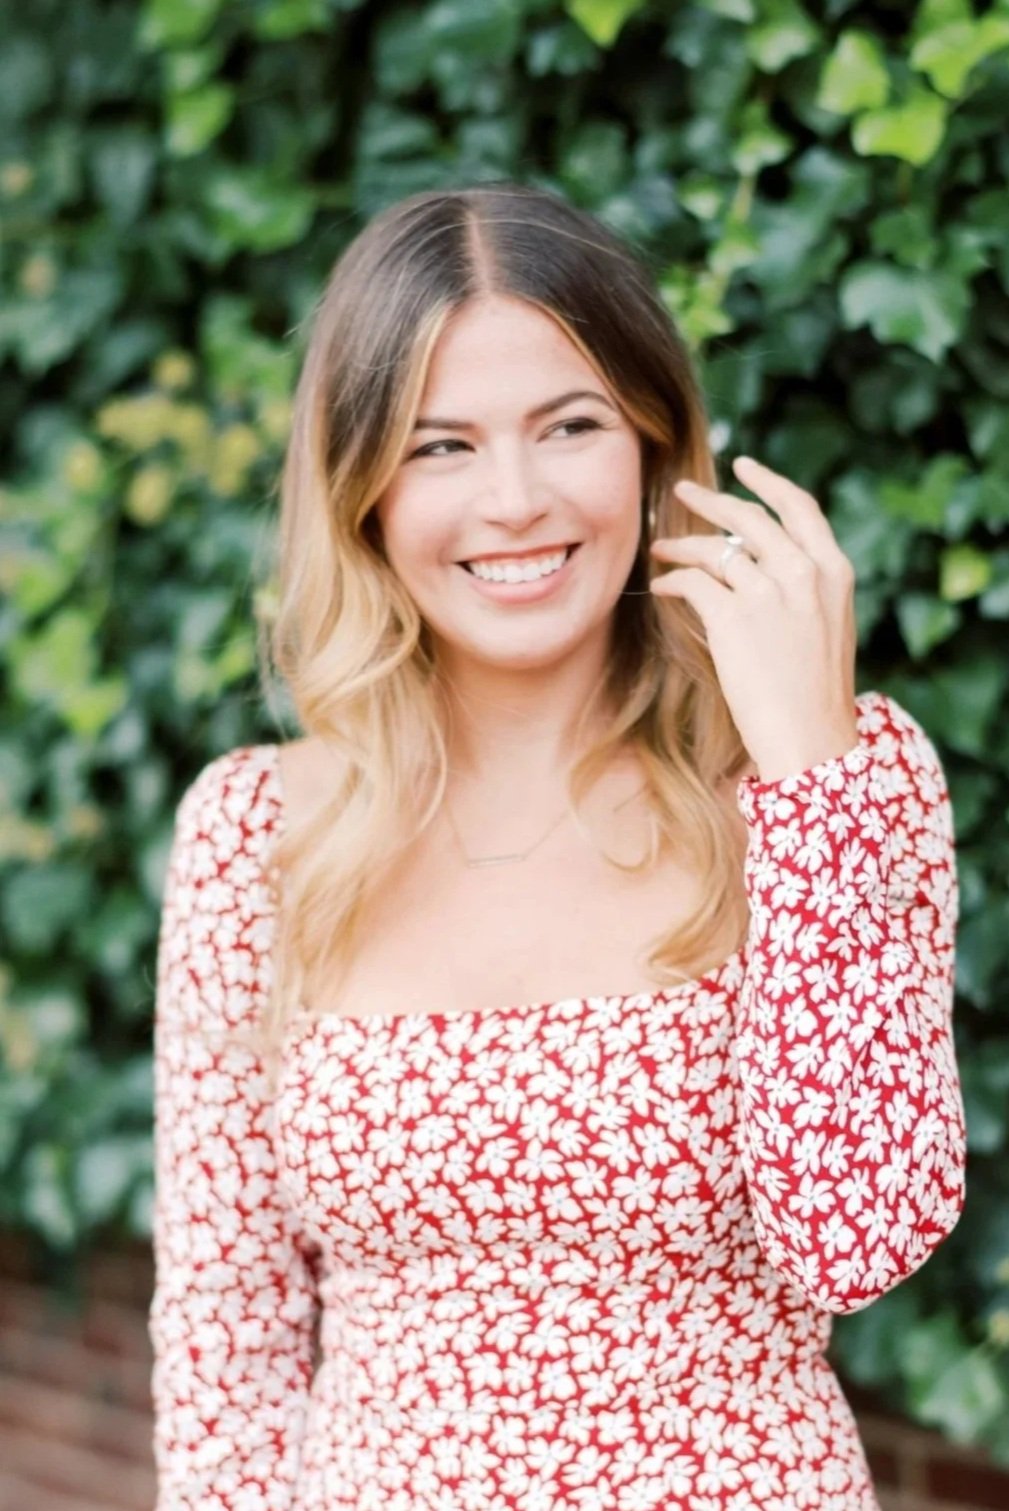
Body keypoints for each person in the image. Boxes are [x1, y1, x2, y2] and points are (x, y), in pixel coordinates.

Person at [149, 182, 967, 1511]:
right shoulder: (253, 830)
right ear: (361, 488)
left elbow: (853, 1242)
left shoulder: (827, 782)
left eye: (569, 425)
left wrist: (813, 775)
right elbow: (224, 1343)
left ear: (650, 444)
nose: (515, 501)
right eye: (439, 446)